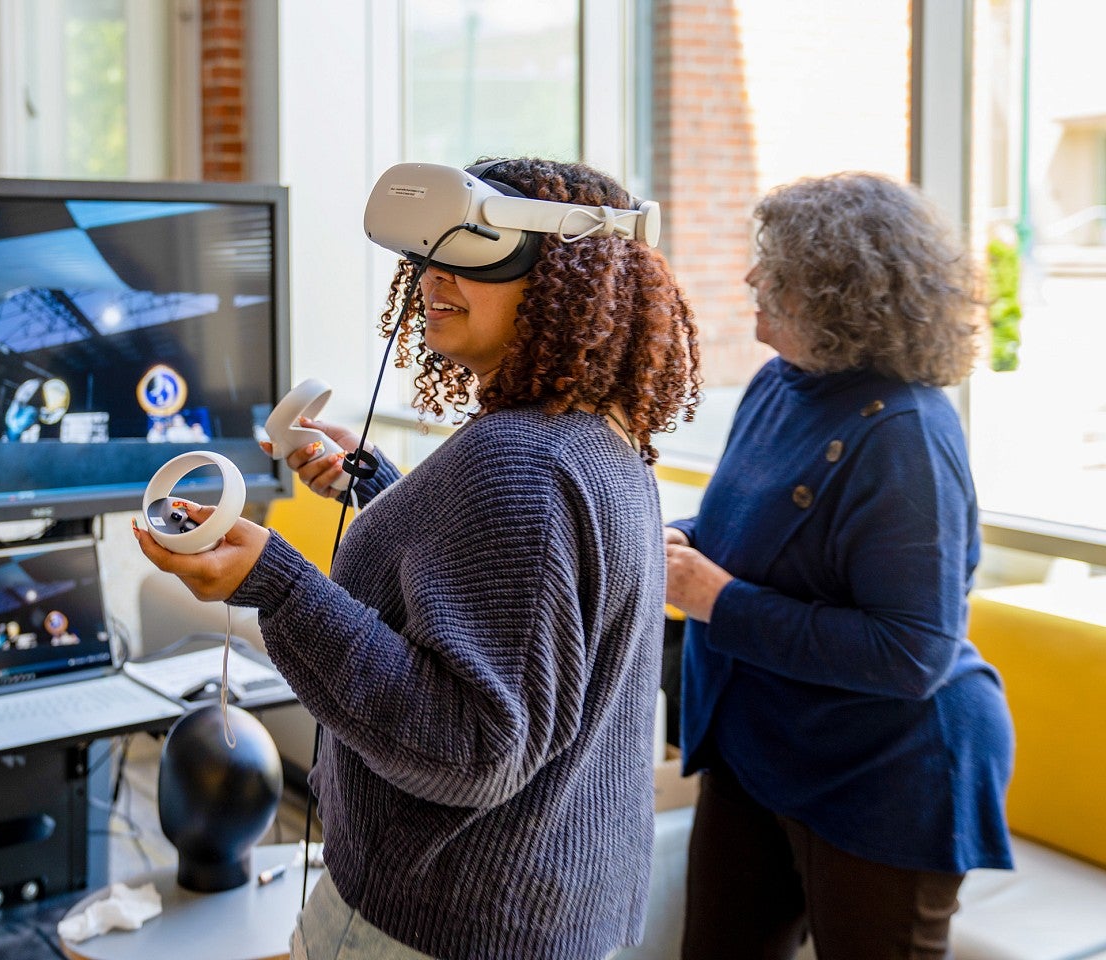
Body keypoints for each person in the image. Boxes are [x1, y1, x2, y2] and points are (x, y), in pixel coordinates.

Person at [133, 157, 701, 960]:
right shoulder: (597, 441)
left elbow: (473, 746)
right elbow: (508, 598)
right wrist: (380, 488)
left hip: (437, 924)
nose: (434, 274)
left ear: (570, 270)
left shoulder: (523, 462)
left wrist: (276, 582)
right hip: (545, 910)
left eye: (476, 250)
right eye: (429, 252)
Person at [664, 171, 1014, 960]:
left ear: (836, 294)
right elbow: (753, 529)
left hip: (891, 771)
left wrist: (716, 599)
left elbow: (911, 653)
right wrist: (681, 541)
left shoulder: (906, 435)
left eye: (775, 270)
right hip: (763, 743)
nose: (751, 278)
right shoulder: (780, 384)